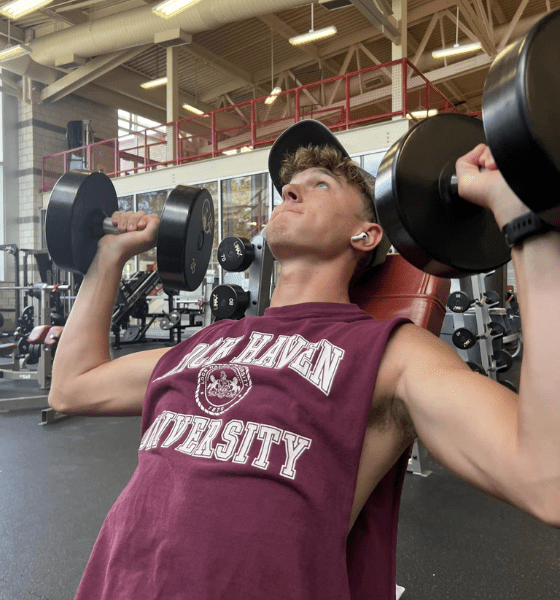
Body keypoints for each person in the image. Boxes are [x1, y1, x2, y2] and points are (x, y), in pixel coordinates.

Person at [49, 119, 560, 600]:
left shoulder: (389, 352)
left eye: (319, 185)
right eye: (288, 187)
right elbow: (72, 386)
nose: (289, 191)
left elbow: (546, 478)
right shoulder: (210, 341)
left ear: (365, 235)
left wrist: (523, 220)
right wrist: (109, 257)